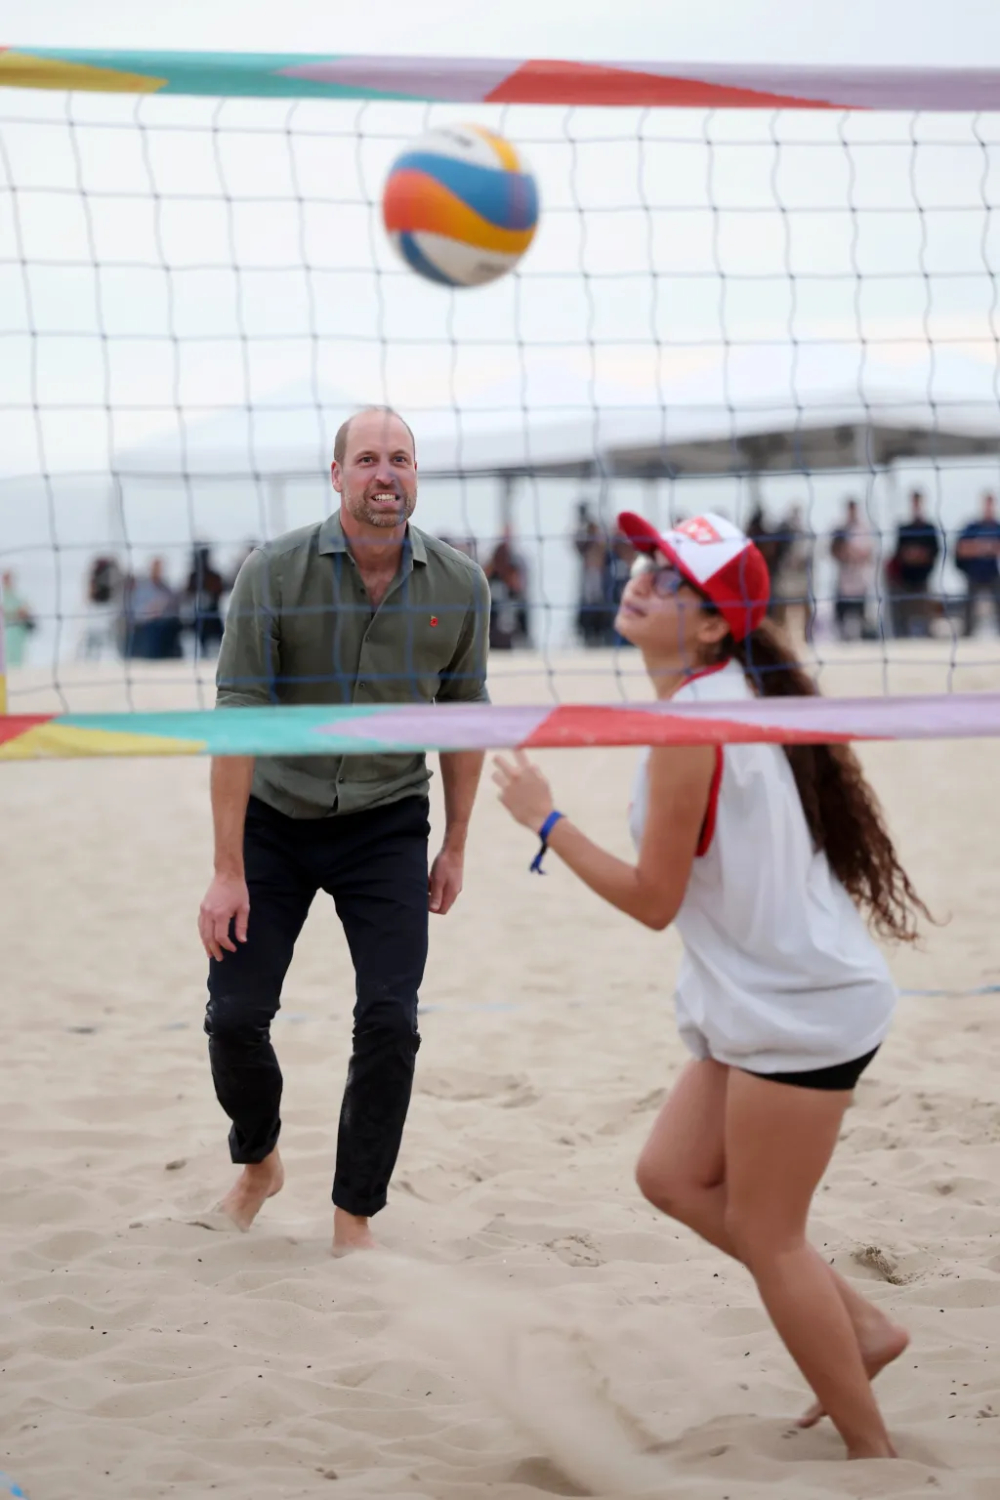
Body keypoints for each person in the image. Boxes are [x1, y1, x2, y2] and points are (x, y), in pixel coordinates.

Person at [493, 509, 927, 1461]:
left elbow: (654, 902)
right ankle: (866, 1329)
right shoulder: (715, 694)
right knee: (671, 1177)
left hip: (803, 1010)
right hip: (773, 992)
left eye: (671, 579)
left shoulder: (693, 725)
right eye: (648, 563)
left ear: (712, 624)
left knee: (772, 1238)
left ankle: (874, 1457)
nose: (642, 580)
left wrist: (545, 821)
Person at [198, 406, 491, 1254]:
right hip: (275, 823)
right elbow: (238, 722)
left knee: (391, 1020)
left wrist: (458, 845)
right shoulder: (274, 571)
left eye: (400, 459)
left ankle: (353, 1217)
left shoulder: (459, 584)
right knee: (234, 1018)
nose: (385, 474)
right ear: (336, 477)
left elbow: (465, 718)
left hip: (386, 823)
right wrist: (227, 869)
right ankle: (258, 1161)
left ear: (415, 475)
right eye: (367, 459)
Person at [887, 491, 940, 639]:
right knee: (903, 624)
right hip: (904, 582)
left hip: (923, 580)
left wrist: (918, 555)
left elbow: (934, 552)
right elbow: (899, 553)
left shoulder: (930, 528)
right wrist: (914, 555)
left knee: (927, 622)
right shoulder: (904, 528)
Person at [954, 492, 1000, 637]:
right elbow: (961, 549)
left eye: (991, 503)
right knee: (968, 606)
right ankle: (967, 634)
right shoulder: (972, 526)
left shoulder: (997, 526)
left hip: (992, 574)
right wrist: (985, 547)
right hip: (974, 574)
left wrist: (979, 547)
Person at [830, 499, 876, 641]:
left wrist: (856, 554)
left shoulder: (864, 529)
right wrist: (844, 553)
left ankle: (861, 638)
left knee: (860, 613)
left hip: (860, 579)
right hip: (844, 579)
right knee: (841, 614)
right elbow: (832, 550)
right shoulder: (839, 528)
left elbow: (870, 552)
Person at [122, 557, 183, 660]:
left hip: (167, 624)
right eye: (156, 568)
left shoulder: (166, 588)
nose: (159, 571)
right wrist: (152, 610)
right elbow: (137, 613)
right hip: (147, 626)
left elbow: (174, 607)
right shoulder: (142, 588)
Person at [769, 504, 814, 639]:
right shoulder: (782, 530)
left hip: (800, 575)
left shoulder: (804, 531)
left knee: (804, 605)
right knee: (781, 606)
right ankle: (781, 635)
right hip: (785, 574)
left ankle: (807, 635)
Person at [184, 544, 227, 659]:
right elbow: (187, 595)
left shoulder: (214, 576)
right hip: (197, 616)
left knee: (220, 636)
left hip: (213, 615)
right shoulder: (193, 576)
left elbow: (219, 593)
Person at [0, 570, 36, 668]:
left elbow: (25, 610)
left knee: (17, 659)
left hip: (17, 632)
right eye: (4, 579)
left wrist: (15, 613)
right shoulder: (4, 596)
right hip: (7, 632)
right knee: (6, 657)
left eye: (8, 578)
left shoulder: (18, 595)